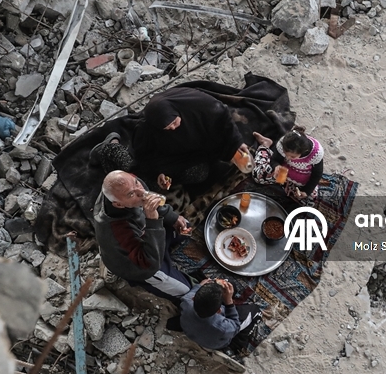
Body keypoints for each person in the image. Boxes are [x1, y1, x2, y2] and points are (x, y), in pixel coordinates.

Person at [91, 170, 193, 300]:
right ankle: (112, 269)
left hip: (145, 230)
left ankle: (163, 248)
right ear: (118, 205)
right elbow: (149, 265)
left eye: (137, 182)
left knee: (185, 227)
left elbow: (149, 198)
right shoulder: (116, 231)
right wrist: (153, 221)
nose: (142, 193)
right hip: (138, 263)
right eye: (131, 194)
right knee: (185, 290)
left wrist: (172, 217)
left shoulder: (132, 184)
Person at [132, 86, 250, 190]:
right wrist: (158, 173)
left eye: (174, 122)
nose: (173, 128)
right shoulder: (148, 128)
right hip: (180, 157)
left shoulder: (196, 105)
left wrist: (237, 142)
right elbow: (145, 156)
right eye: (168, 127)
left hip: (205, 141)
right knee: (199, 175)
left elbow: (222, 118)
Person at [179, 278, 262, 352]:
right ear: (219, 310)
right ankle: (233, 348)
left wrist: (200, 285)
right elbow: (235, 325)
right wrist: (229, 302)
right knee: (254, 310)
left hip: (191, 329)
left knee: (229, 283)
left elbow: (191, 293)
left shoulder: (187, 301)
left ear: (193, 298)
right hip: (214, 343)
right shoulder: (224, 328)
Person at [251, 127, 324, 203]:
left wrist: (306, 191)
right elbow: (274, 159)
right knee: (257, 175)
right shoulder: (284, 144)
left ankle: (285, 187)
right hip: (282, 174)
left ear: (303, 152)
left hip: (299, 181)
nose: (288, 158)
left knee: (309, 200)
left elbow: (317, 174)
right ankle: (265, 146)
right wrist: (276, 166)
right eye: (286, 154)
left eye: (293, 156)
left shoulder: (316, 154)